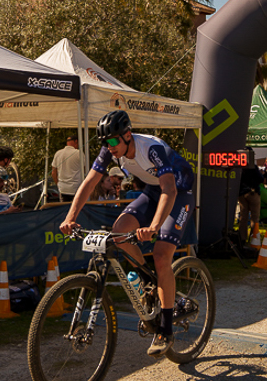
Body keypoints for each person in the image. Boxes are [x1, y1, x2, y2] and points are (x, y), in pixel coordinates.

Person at [60, 110, 195, 359]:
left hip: (178, 192)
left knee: (161, 255)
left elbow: (169, 189)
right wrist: (70, 217)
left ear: (128, 135)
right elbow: (89, 183)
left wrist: (154, 227)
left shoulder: (151, 148)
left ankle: (165, 330)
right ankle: (148, 282)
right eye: (105, 141)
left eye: (113, 140)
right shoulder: (110, 150)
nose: (109, 146)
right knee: (119, 233)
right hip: (153, 191)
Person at [236, 147, 264, 247]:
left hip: (241, 194)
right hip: (252, 193)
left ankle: (242, 238)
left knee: (243, 217)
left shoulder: (238, 167)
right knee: (255, 217)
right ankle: (254, 238)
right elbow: (261, 179)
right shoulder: (252, 167)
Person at [51, 134, 83, 202]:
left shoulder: (58, 153)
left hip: (62, 188)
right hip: (76, 188)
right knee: (75, 207)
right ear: (76, 141)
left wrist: (58, 184)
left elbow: (53, 173)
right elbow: (85, 170)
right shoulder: (79, 153)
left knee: (64, 207)